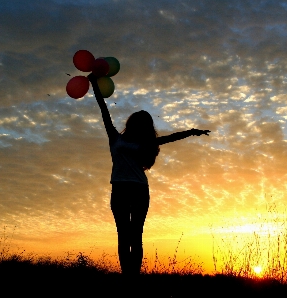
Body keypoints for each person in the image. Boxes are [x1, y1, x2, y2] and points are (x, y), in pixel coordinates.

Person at [88, 74, 210, 278]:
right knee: (123, 236)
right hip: (119, 189)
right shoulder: (114, 137)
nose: (139, 127)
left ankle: (133, 278)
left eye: (144, 125)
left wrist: (193, 131)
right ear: (132, 122)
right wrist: (94, 84)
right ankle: (127, 276)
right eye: (138, 123)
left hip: (138, 190)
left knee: (135, 236)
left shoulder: (145, 144)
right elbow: (104, 111)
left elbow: (170, 138)